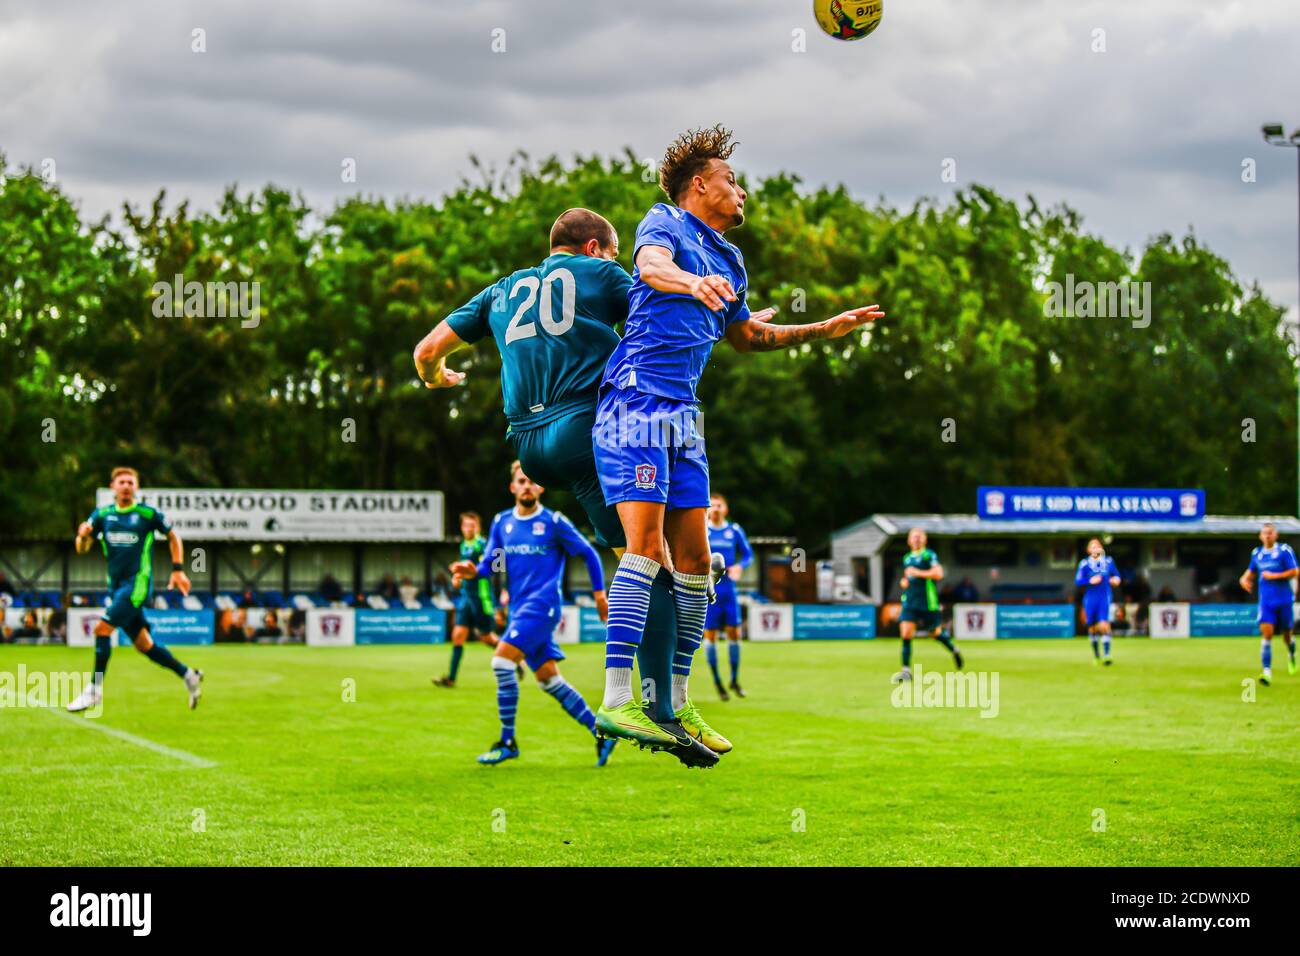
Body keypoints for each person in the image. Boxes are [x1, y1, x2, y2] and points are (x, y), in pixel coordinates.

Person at [591, 125, 885, 764]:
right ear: (701, 185)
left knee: (697, 563)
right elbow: (648, 265)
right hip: (637, 400)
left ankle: (676, 700)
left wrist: (824, 328)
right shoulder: (665, 222)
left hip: (684, 419)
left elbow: (746, 336)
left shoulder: (730, 258)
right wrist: (686, 283)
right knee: (646, 548)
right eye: (731, 179)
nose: (742, 189)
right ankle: (617, 697)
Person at [450, 462, 615, 767]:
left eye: (532, 481)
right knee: (549, 679)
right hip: (519, 610)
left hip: (543, 607)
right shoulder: (501, 523)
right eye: (521, 481)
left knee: (501, 662)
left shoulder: (554, 522)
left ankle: (508, 741)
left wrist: (599, 595)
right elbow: (491, 565)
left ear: (541, 488)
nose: (527, 486)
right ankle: (602, 732)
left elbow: (589, 553)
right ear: (512, 487)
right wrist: (472, 571)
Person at [65, 467, 202, 713]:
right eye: (121, 482)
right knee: (144, 645)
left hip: (137, 585)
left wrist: (178, 569)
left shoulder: (147, 514)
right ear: (113, 487)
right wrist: (82, 536)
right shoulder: (102, 515)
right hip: (116, 588)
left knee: (102, 629)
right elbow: (81, 549)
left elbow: (174, 537)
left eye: (130, 482)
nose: (126, 486)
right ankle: (188, 674)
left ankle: (93, 691)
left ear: (136, 487)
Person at [433, 512, 502, 688]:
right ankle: (451, 678)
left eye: (472, 525)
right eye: (466, 525)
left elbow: (493, 567)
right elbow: (464, 572)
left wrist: (466, 570)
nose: (469, 528)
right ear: (462, 527)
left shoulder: (483, 544)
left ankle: (515, 657)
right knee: (457, 636)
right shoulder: (464, 545)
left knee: (487, 638)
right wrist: (457, 578)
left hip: (481, 597)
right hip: (465, 597)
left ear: (478, 527)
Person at [892, 528, 963, 683]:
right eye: (913, 537)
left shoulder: (928, 555)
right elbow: (907, 578)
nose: (916, 539)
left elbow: (939, 574)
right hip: (910, 602)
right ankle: (906, 671)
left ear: (924, 540)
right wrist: (905, 582)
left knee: (935, 633)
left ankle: (954, 649)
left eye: (919, 537)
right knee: (905, 634)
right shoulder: (907, 558)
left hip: (928, 602)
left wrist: (918, 573)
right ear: (909, 540)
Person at [703, 493, 753, 700]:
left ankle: (734, 679)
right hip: (709, 590)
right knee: (711, 636)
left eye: (719, 505)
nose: (715, 508)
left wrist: (740, 567)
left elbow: (748, 554)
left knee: (735, 633)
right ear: (707, 509)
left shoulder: (734, 531)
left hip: (729, 591)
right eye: (712, 505)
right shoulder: (702, 530)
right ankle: (717, 682)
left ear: (725, 509)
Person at [1238, 522, 1298, 685]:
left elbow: (1295, 571)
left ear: (1276, 535)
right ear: (1260, 536)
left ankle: (1292, 654)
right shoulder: (1257, 553)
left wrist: (1275, 576)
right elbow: (1250, 571)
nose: (1267, 535)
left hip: (1284, 600)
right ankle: (1266, 672)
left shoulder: (1284, 551)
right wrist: (1244, 578)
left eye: (1270, 533)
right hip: (1266, 602)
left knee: (1287, 636)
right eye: (1265, 533)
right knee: (1267, 634)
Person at [1076, 538, 1121, 665]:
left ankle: (1107, 655)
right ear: (1088, 550)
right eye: (1092, 546)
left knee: (1104, 625)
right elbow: (1078, 581)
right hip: (1090, 599)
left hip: (1104, 598)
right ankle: (1096, 655)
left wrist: (1115, 580)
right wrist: (1090, 581)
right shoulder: (1084, 564)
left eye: (1097, 546)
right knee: (1093, 628)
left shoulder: (1108, 561)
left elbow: (1116, 575)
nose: (1095, 548)